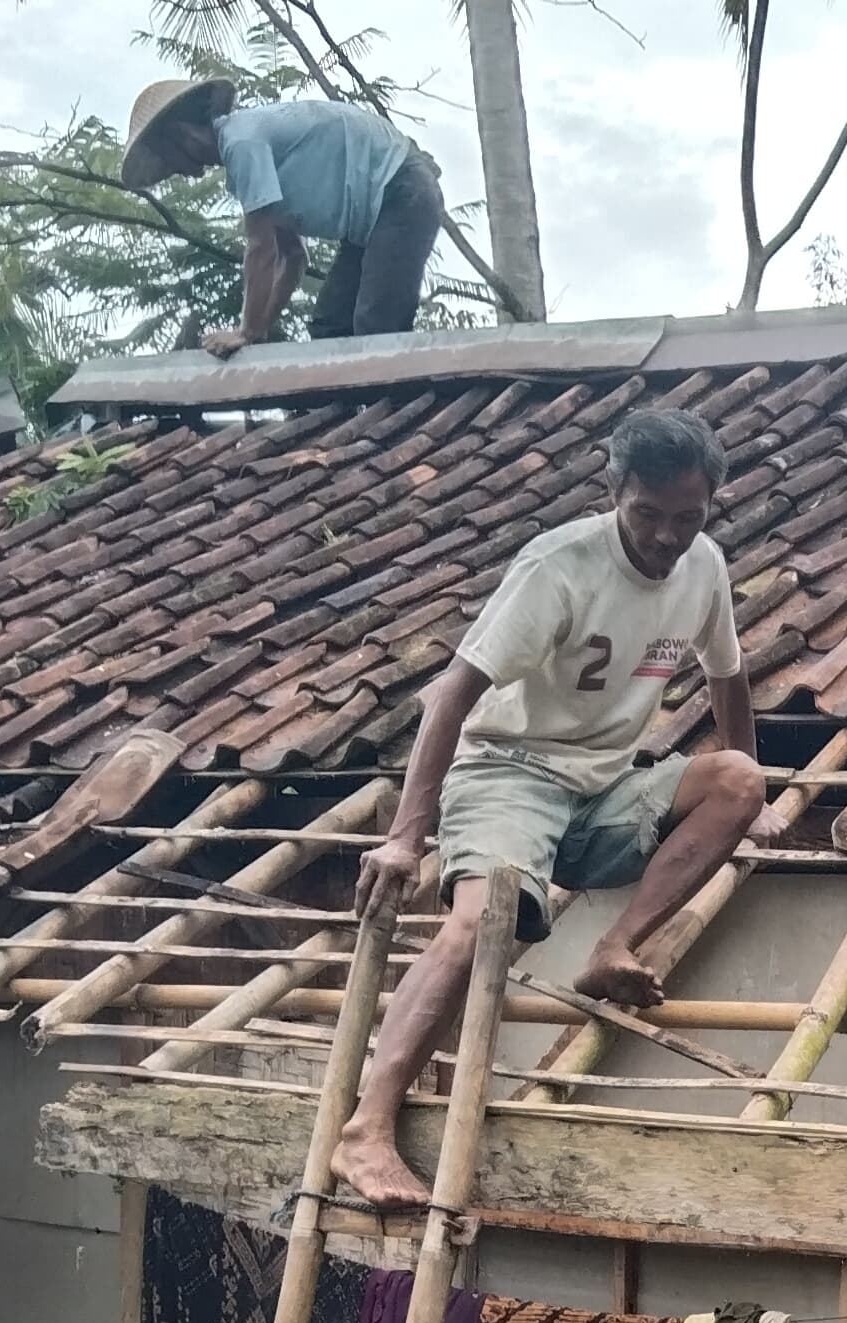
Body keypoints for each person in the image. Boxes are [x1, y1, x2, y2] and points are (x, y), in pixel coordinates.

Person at [338, 406, 766, 1206]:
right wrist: (406, 836)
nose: (667, 536)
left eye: (688, 517)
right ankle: (366, 1128)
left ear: (710, 505)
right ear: (615, 492)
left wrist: (757, 798)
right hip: (510, 771)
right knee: (480, 924)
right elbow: (452, 695)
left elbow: (728, 676)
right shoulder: (560, 565)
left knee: (739, 780)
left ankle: (613, 947)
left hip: (603, 788)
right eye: (648, 513)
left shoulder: (704, 566)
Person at [119, 79, 446, 350]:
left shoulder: (242, 143)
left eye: (168, 157)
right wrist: (259, 328)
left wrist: (245, 331)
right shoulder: (249, 155)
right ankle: (345, 409)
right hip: (371, 220)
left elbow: (261, 248)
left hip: (401, 193)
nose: (175, 169)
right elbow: (292, 257)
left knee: (377, 327)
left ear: (182, 134)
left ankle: (397, 404)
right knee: (331, 328)